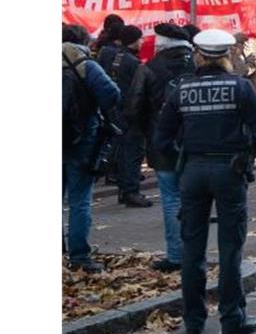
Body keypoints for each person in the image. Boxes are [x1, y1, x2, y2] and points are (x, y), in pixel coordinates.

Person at [153, 29, 256, 334]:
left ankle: (194, 321)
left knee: (192, 249)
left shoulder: (182, 90)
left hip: (192, 171)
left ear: (199, 56)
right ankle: (232, 318)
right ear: (226, 57)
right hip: (230, 171)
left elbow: (161, 138)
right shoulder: (241, 88)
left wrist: (184, 156)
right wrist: (244, 154)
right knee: (231, 248)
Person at [124, 23, 196, 271]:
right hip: (197, 144)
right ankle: (195, 254)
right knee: (195, 200)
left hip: (163, 144)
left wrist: (149, 132)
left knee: (171, 199)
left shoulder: (149, 69)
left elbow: (133, 108)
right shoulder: (198, 65)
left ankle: (176, 256)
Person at [63, 24, 122, 273]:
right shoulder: (85, 65)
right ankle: (79, 256)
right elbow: (112, 95)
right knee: (79, 199)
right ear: (83, 41)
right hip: (82, 139)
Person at [103, 25, 153, 208]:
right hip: (131, 113)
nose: (142, 42)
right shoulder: (133, 62)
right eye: (140, 39)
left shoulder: (115, 56)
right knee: (133, 153)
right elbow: (139, 90)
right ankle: (131, 191)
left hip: (116, 112)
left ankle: (125, 190)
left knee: (123, 151)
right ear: (133, 40)